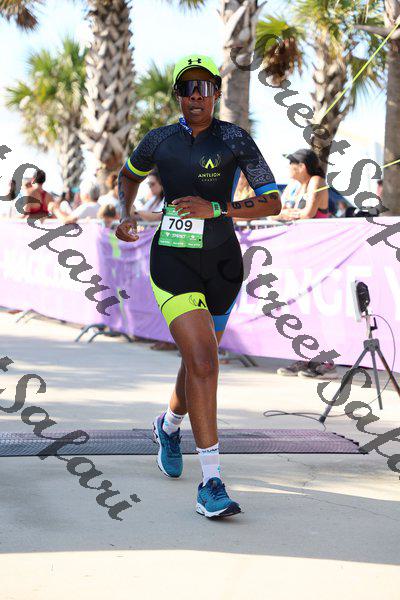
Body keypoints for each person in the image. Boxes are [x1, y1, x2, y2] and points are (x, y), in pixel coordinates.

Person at [116, 54, 281, 519]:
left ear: (216, 93)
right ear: (177, 95)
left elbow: (271, 202)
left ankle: (168, 426)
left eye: (204, 87)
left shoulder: (235, 138)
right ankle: (211, 482)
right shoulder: (158, 140)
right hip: (173, 260)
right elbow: (127, 176)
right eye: (187, 88)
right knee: (205, 363)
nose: (196, 96)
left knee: (198, 361)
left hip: (223, 266)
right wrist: (125, 214)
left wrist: (218, 209)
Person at [273, 149, 329, 221]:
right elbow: (272, 214)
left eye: (291, 162)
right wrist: (283, 214)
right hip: (296, 228)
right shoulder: (292, 184)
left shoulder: (316, 180)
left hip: (314, 228)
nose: (288, 166)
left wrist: (284, 213)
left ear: (302, 167)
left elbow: (308, 214)